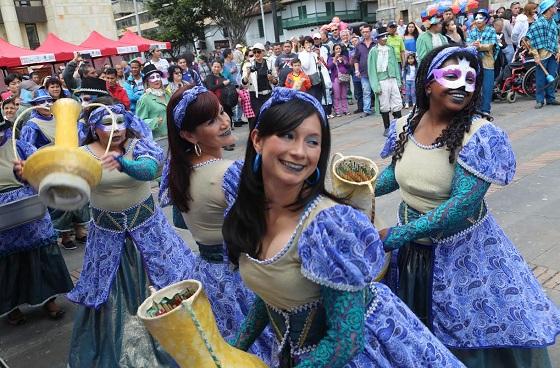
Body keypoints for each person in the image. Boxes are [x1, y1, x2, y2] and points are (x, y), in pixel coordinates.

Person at [224, 87, 465, 368]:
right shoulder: (245, 212)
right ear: (257, 140)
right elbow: (271, 293)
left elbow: (346, 340)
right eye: (288, 135)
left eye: (313, 141)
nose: (300, 152)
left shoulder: (327, 226)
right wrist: (232, 349)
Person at [376, 45, 560, 368]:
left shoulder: (479, 135)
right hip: (413, 259)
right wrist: (354, 189)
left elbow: (461, 205)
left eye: (471, 78)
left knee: (469, 339)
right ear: (428, 83)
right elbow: (398, 173)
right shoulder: (408, 124)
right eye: (451, 76)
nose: (463, 85)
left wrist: (400, 233)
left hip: (465, 257)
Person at [67, 98, 194, 367]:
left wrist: (124, 164)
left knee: (167, 281)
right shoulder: (83, 155)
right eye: (107, 123)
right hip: (106, 238)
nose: (117, 128)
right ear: (93, 128)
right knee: (108, 296)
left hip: (150, 234)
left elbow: (150, 170)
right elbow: (62, 186)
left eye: (120, 121)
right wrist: (30, 175)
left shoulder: (138, 146)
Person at [158, 85, 274, 364]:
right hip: (243, 275)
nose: (224, 122)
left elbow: (180, 220)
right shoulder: (228, 172)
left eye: (222, 112)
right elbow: (259, 232)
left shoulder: (177, 170)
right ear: (188, 134)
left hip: (207, 275)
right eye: (211, 120)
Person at [2, 119, 73, 326]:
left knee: (42, 252)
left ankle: (49, 300)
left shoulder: (19, 146)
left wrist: (30, 173)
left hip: (30, 207)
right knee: (6, 261)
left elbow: (45, 170)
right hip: (2, 218)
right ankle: (11, 307)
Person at [20, 89, 91, 250]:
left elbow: (77, 136)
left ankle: (80, 230)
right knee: (60, 201)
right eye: (41, 102)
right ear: (34, 106)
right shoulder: (31, 126)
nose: (47, 104)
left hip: (69, 164)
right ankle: (65, 235)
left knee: (78, 194)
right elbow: (26, 149)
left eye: (49, 101)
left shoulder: (61, 118)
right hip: (50, 168)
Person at [525, 0, 559, 109]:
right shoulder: (538, 23)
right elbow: (529, 40)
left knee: (552, 76)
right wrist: (536, 55)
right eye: (554, 6)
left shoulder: (553, 22)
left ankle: (550, 98)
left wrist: (558, 51)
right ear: (549, 9)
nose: (556, 8)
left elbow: (556, 39)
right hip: (542, 55)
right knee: (540, 78)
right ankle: (539, 100)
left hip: (553, 53)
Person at [368, 28, 403, 137]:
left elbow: (396, 66)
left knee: (397, 101)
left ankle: (399, 125)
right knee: (384, 104)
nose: (385, 38)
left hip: (392, 79)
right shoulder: (373, 51)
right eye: (382, 37)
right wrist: (375, 86)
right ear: (377, 39)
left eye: (386, 36)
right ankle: (387, 127)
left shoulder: (390, 49)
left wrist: (398, 80)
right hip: (381, 80)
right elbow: (372, 70)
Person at [467, 9, 497, 119]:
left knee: (487, 87)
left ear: (486, 20)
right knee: (475, 87)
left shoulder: (491, 30)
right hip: (474, 62)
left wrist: (479, 46)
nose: (478, 21)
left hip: (487, 62)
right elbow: (468, 43)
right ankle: (476, 109)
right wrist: (473, 44)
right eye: (476, 18)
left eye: (481, 18)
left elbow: (490, 45)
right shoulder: (472, 31)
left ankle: (485, 110)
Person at [242, 42, 278, 127]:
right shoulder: (248, 64)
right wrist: (247, 74)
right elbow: (244, 83)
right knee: (259, 117)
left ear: (263, 52)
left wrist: (272, 79)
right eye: (254, 52)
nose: (256, 54)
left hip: (268, 94)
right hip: (255, 96)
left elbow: (276, 81)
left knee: (269, 117)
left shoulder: (270, 62)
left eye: (258, 51)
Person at [136, 64, 170, 139]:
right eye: (152, 77)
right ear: (147, 81)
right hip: (157, 139)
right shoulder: (144, 99)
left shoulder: (167, 94)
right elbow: (139, 122)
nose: (156, 80)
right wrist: (155, 121)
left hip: (172, 135)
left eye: (158, 77)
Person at [353, 25, 376, 117]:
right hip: (363, 72)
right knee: (366, 91)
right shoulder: (359, 45)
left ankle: (381, 108)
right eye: (363, 32)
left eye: (367, 31)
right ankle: (367, 110)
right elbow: (356, 59)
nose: (365, 33)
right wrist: (356, 70)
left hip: (375, 72)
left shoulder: (375, 43)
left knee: (377, 91)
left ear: (370, 32)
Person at [327, 44, 351, 116]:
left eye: (339, 48)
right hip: (335, 78)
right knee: (337, 95)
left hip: (344, 78)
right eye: (336, 49)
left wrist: (343, 61)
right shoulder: (331, 58)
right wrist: (335, 59)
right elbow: (330, 67)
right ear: (334, 50)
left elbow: (347, 66)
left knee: (344, 95)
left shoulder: (343, 57)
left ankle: (345, 110)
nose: (338, 50)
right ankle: (337, 111)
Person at [298, 37, 324, 102]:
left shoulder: (314, 54)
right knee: (311, 98)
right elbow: (306, 66)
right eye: (306, 43)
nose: (308, 44)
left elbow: (318, 67)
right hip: (307, 79)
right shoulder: (301, 54)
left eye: (310, 42)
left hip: (316, 78)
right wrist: (308, 53)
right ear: (303, 44)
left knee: (318, 98)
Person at [350, 35, 364, 114]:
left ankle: (368, 106)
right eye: (352, 42)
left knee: (366, 91)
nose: (354, 42)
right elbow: (350, 63)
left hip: (364, 72)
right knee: (358, 92)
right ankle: (360, 107)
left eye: (355, 40)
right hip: (355, 74)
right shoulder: (351, 52)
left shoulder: (363, 49)